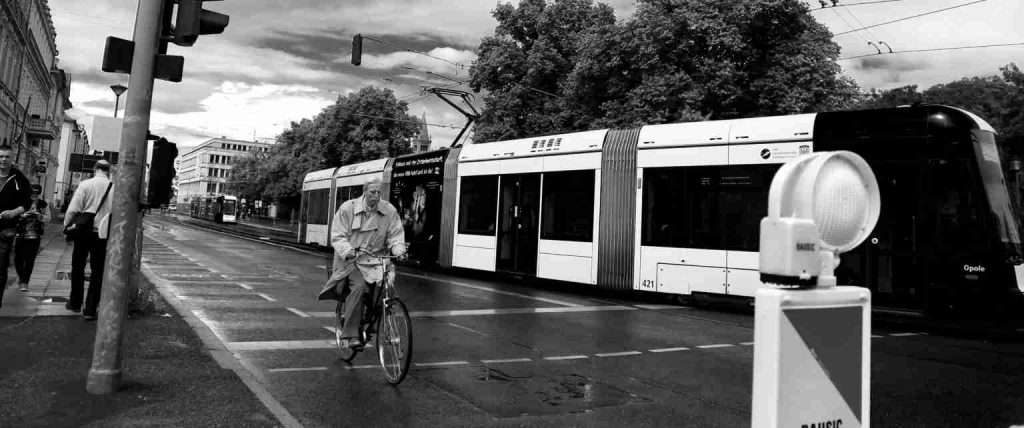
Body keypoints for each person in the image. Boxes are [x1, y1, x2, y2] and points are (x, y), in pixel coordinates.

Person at [318, 177, 406, 349]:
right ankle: (351, 335)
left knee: (386, 285)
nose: (376, 196)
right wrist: (348, 250)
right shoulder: (347, 208)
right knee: (358, 287)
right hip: (353, 261)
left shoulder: (389, 211)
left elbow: (395, 235)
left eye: (379, 192)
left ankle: (373, 321)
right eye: (373, 192)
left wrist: (398, 250)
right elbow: (337, 235)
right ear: (364, 191)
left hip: (376, 259)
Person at [63, 160, 114, 320]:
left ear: (95, 169)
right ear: (108, 170)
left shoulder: (86, 184)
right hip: (102, 233)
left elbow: (73, 208)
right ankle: (90, 309)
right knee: (98, 271)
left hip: (83, 231)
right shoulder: (115, 187)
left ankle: (75, 303)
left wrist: (66, 226)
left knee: (77, 266)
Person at [0, 144, 31, 308]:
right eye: (1, 156)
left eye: (6, 157)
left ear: (12, 159)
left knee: (0, 265)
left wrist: (13, 212)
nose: (3, 160)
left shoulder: (19, 178)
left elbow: (27, 202)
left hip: (5, 229)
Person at [13, 184, 48, 291]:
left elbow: (48, 218)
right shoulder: (22, 203)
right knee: (17, 259)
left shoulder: (43, 204)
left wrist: (39, 216)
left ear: (39, 194)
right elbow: (14, 215)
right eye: (32, 193)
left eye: (36, 194)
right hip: (20, 234)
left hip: (35, 236)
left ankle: (25, 282)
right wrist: (23, 216)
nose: (34, 195)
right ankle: (21, 276)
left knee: (30, 259)